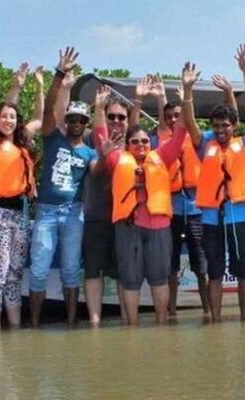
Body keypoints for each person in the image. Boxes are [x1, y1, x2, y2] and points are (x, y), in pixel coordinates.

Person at [91, 68, 194, 324]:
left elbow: (181, 130)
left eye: (144, 141)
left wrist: (187, 93)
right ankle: (132, 328)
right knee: (131, 280)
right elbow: (100, 136)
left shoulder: (163, 156)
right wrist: (99, 109)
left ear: (151, 144)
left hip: (158, 226)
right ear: (128, 144)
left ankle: (161, 323)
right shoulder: (116, 157)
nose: (140, 145)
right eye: (135, 141)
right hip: (128, 227)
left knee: (160, 279)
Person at [182, 64, 245, 322]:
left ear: (234, 125)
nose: (220, 130)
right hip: (210, 218)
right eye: (216, 126)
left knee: (242, 272)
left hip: (238, 217)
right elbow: (190, 123)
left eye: (225, 125)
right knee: (214, 273)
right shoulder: (205, 144)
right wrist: (187, 89)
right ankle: (215, 321)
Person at [28, 47, 98, 328]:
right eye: (72, 118)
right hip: (45, 212)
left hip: (73, 213)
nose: (76, 123)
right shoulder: (52, 138)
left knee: (71, 270)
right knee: (39, 271)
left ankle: (70, 325)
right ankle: (33, 327)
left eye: (81, 120)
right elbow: (48, 108)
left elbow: (102, 172)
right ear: (66, 121)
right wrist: (59, 75)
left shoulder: (90, 154)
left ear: (87, 124)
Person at [131, 76, 210, 317]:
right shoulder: (157, 143)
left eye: (178, 116)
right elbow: (134, 131)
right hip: (171, 210)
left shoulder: (198, 139)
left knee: (201, 264)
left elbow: (191, 119)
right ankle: (171, 313)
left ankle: (209, 312)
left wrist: (187, 91)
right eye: (169, 117)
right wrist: (147, 97)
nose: (174, 120)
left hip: (196, 208)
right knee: (171, 266)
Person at [0, 62, 44, 330]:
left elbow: (39, 119)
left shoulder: (21, 146)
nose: (7, 121)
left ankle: (15, 330)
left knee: (16, 274)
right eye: (4, 116)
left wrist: (39, 88)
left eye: (13, 117)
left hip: (20, 214)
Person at [81, 92, 128, 326]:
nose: (117, 121)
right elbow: (95, 171)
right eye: (112, 116)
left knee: (123, 273)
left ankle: (126, 320)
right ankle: (94, 323)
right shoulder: (90, 137)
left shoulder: (135, 142)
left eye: (122, 117)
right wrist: (105, 154)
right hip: (96, 216)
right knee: (93, 271)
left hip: (124, 219)